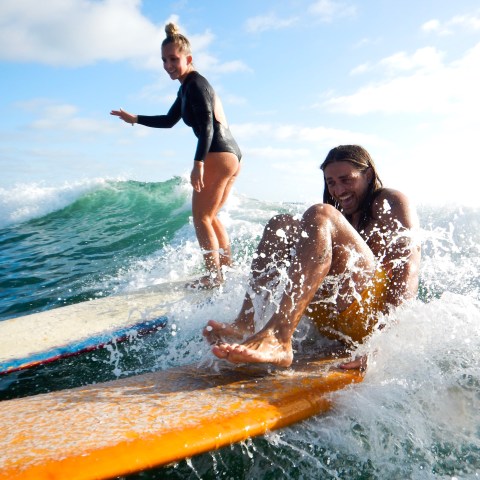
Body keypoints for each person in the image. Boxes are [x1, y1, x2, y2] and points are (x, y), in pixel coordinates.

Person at [203, 145, 421, 369]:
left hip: (367, 318)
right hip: (330, 320)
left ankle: (278, 337)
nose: (339, 189)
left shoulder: (390, 201)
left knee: (321, 213)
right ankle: (246, 323)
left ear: (368, 175)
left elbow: (408, 269)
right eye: (331, 182)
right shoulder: (344, 212)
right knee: (281, 224)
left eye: (346, 179)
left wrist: (383, 345)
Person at [111, 23, 242, 289]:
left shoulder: (195, 84)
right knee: (211, 215)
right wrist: (134, 118)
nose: (168, 65)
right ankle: (225, 270)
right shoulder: (185, 88)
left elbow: (206, 125)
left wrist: (198, 164)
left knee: (201, 217)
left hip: (217, 152)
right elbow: (170, 120)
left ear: (188, 59)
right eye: (164, 60)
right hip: (231, 155)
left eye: (174, 59)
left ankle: (213, 276)